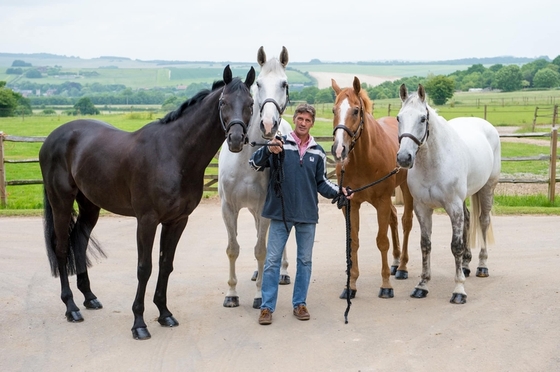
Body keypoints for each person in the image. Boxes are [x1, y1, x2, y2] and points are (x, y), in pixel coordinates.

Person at [249, 103, 352, 325]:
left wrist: (340, 191)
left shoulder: (317, 151)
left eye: (307, 120)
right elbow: (254, 163)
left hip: (307, 215)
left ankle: (300, 303)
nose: (303, 123)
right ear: (294, 119)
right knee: (272, 261)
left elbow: (321, 182)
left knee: (304, 261)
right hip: (280, 213)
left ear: (312, 123)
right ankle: (266, 307)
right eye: (300, 119)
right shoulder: (279, 144)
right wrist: (268, 149)